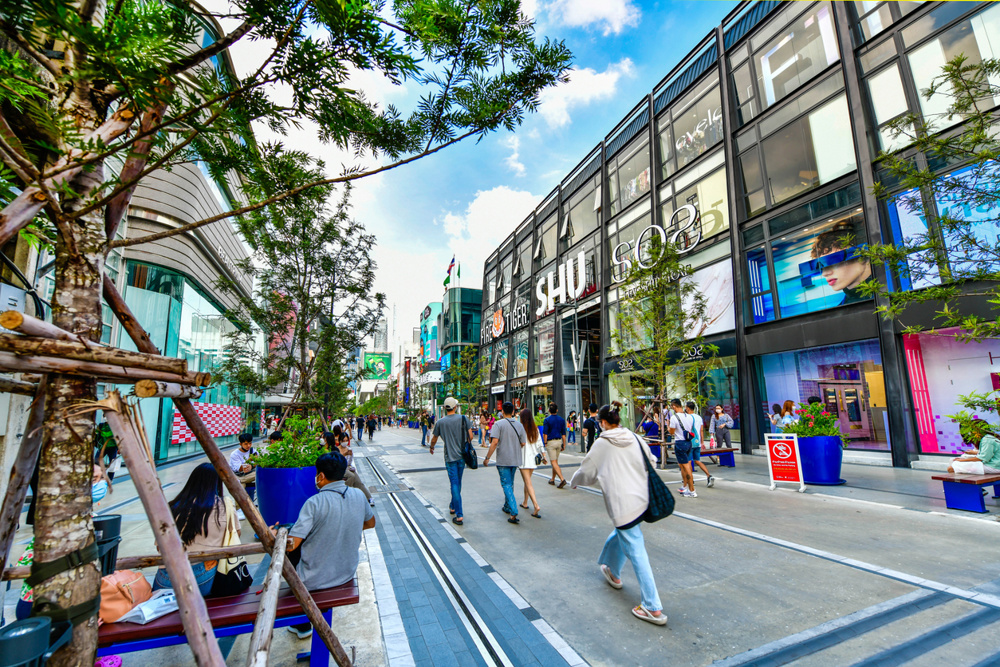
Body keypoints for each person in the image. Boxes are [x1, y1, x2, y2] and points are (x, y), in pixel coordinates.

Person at [569, 402, 666, 627]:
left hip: (623, 505)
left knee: (636, 550)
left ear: (602, 422)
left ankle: (653, 607)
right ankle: (612, 569)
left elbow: (586, 472)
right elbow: (651, 460)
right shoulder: (634, 436)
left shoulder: (602, 444)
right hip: (643, 499)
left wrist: (574, 482)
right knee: (624, 534)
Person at [281, 452, 375, 638]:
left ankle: (301, 622)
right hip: (346, 571)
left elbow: (291, 545)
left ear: (321, 476)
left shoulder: (314, 503)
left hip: (314, 579)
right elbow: (370, 523)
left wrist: (276, 535)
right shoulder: (358, 495)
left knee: (283, 556)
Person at [153, 463, 237, 596]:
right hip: (201, 577)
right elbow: (235, 535)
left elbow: (159, 546)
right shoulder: (225, 506)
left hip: (165, 578)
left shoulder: (172, 506)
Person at [429, 397, 475, 526]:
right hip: (462, 457)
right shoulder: (463, 419)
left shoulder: (440, 422)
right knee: (457, 482)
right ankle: (453, 506)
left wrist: (432, 447)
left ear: (444, 408)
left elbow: (434, 439)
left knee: (454, 483)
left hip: (449, 457)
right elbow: (470, 436)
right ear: (455, 407)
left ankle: (459, 514)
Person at [483, 401, 528, 525]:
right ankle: (507, 506)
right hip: (515, 459)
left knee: (506, 484)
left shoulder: (498, 424)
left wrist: (487, 457)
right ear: (513, 412)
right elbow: (523, 443)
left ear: (502, 411)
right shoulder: (519, 425)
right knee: (510, 483)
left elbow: (494, 442)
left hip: (503, 459)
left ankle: (513, 510)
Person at [810, 223, 871, 306]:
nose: (825, 273)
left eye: (834, 261)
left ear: (862, 254)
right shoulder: (842, 307)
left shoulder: (889, 290)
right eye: (821, 266)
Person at [325, 431, 373, 505]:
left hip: (347, 467)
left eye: (346, 440)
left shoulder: (349, 449)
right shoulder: (337, 449)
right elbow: (338, 461)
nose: (345, 442)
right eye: (343, 440)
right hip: (340, 468)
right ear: (340, 441)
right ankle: (345, 493)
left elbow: (349, 462)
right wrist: (345, 454)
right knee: (352, 476)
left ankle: (369, 498)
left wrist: (350, 457)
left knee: (358, 482)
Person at [517, 407, 545, 518]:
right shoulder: (535, 429)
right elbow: (540, 443)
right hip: (533, 459)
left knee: (528, 483)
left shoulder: (520, 429)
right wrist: (543, 455)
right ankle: (525, 502)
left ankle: (536, 505)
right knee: (527, 481)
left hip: (524, 460)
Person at [668, 399, 697, 498]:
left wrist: (668, 426)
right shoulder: (689, 417)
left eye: (672, 407)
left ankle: (692, 490)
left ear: (674, 406)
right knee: (684, 465)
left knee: (686, 467)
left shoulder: (674, 418)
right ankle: (685, 487)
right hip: (689, 443)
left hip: (680, 443)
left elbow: (671, 432)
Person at [685, 401, 715, 488]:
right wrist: (702, 442)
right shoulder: (699, 417)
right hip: (697, 442)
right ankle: (709, 475)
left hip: (690, 442)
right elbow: (701, 430)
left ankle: (691, 479)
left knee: (689, 461)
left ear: (687, 408)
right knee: (697, 461)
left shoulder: (688, 418)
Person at [542, 402, 568, 489]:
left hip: (551, 442)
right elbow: (563, 434)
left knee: (553, 462)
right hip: (559, 441)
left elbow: (545, 433)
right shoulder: (561, 420)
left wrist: (545, 443)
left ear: (549, 410)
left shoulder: (547, 420)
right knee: (555, 461)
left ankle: (562, 479)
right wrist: (564, 444)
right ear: (557, 410)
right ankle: (552, 479)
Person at [229, 433, 257, 507]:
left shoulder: (253, 451)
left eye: (250, 443)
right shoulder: (235, 454)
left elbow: (257, 463)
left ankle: (239, 509)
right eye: (246, 444)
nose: (248, 446)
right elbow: (238, 468)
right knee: (240, 487)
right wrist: (249, 461)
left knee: (260, 473)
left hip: (249, 475)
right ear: (240, 444)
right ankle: (239, 509)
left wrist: (251, 465)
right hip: (238, 475)